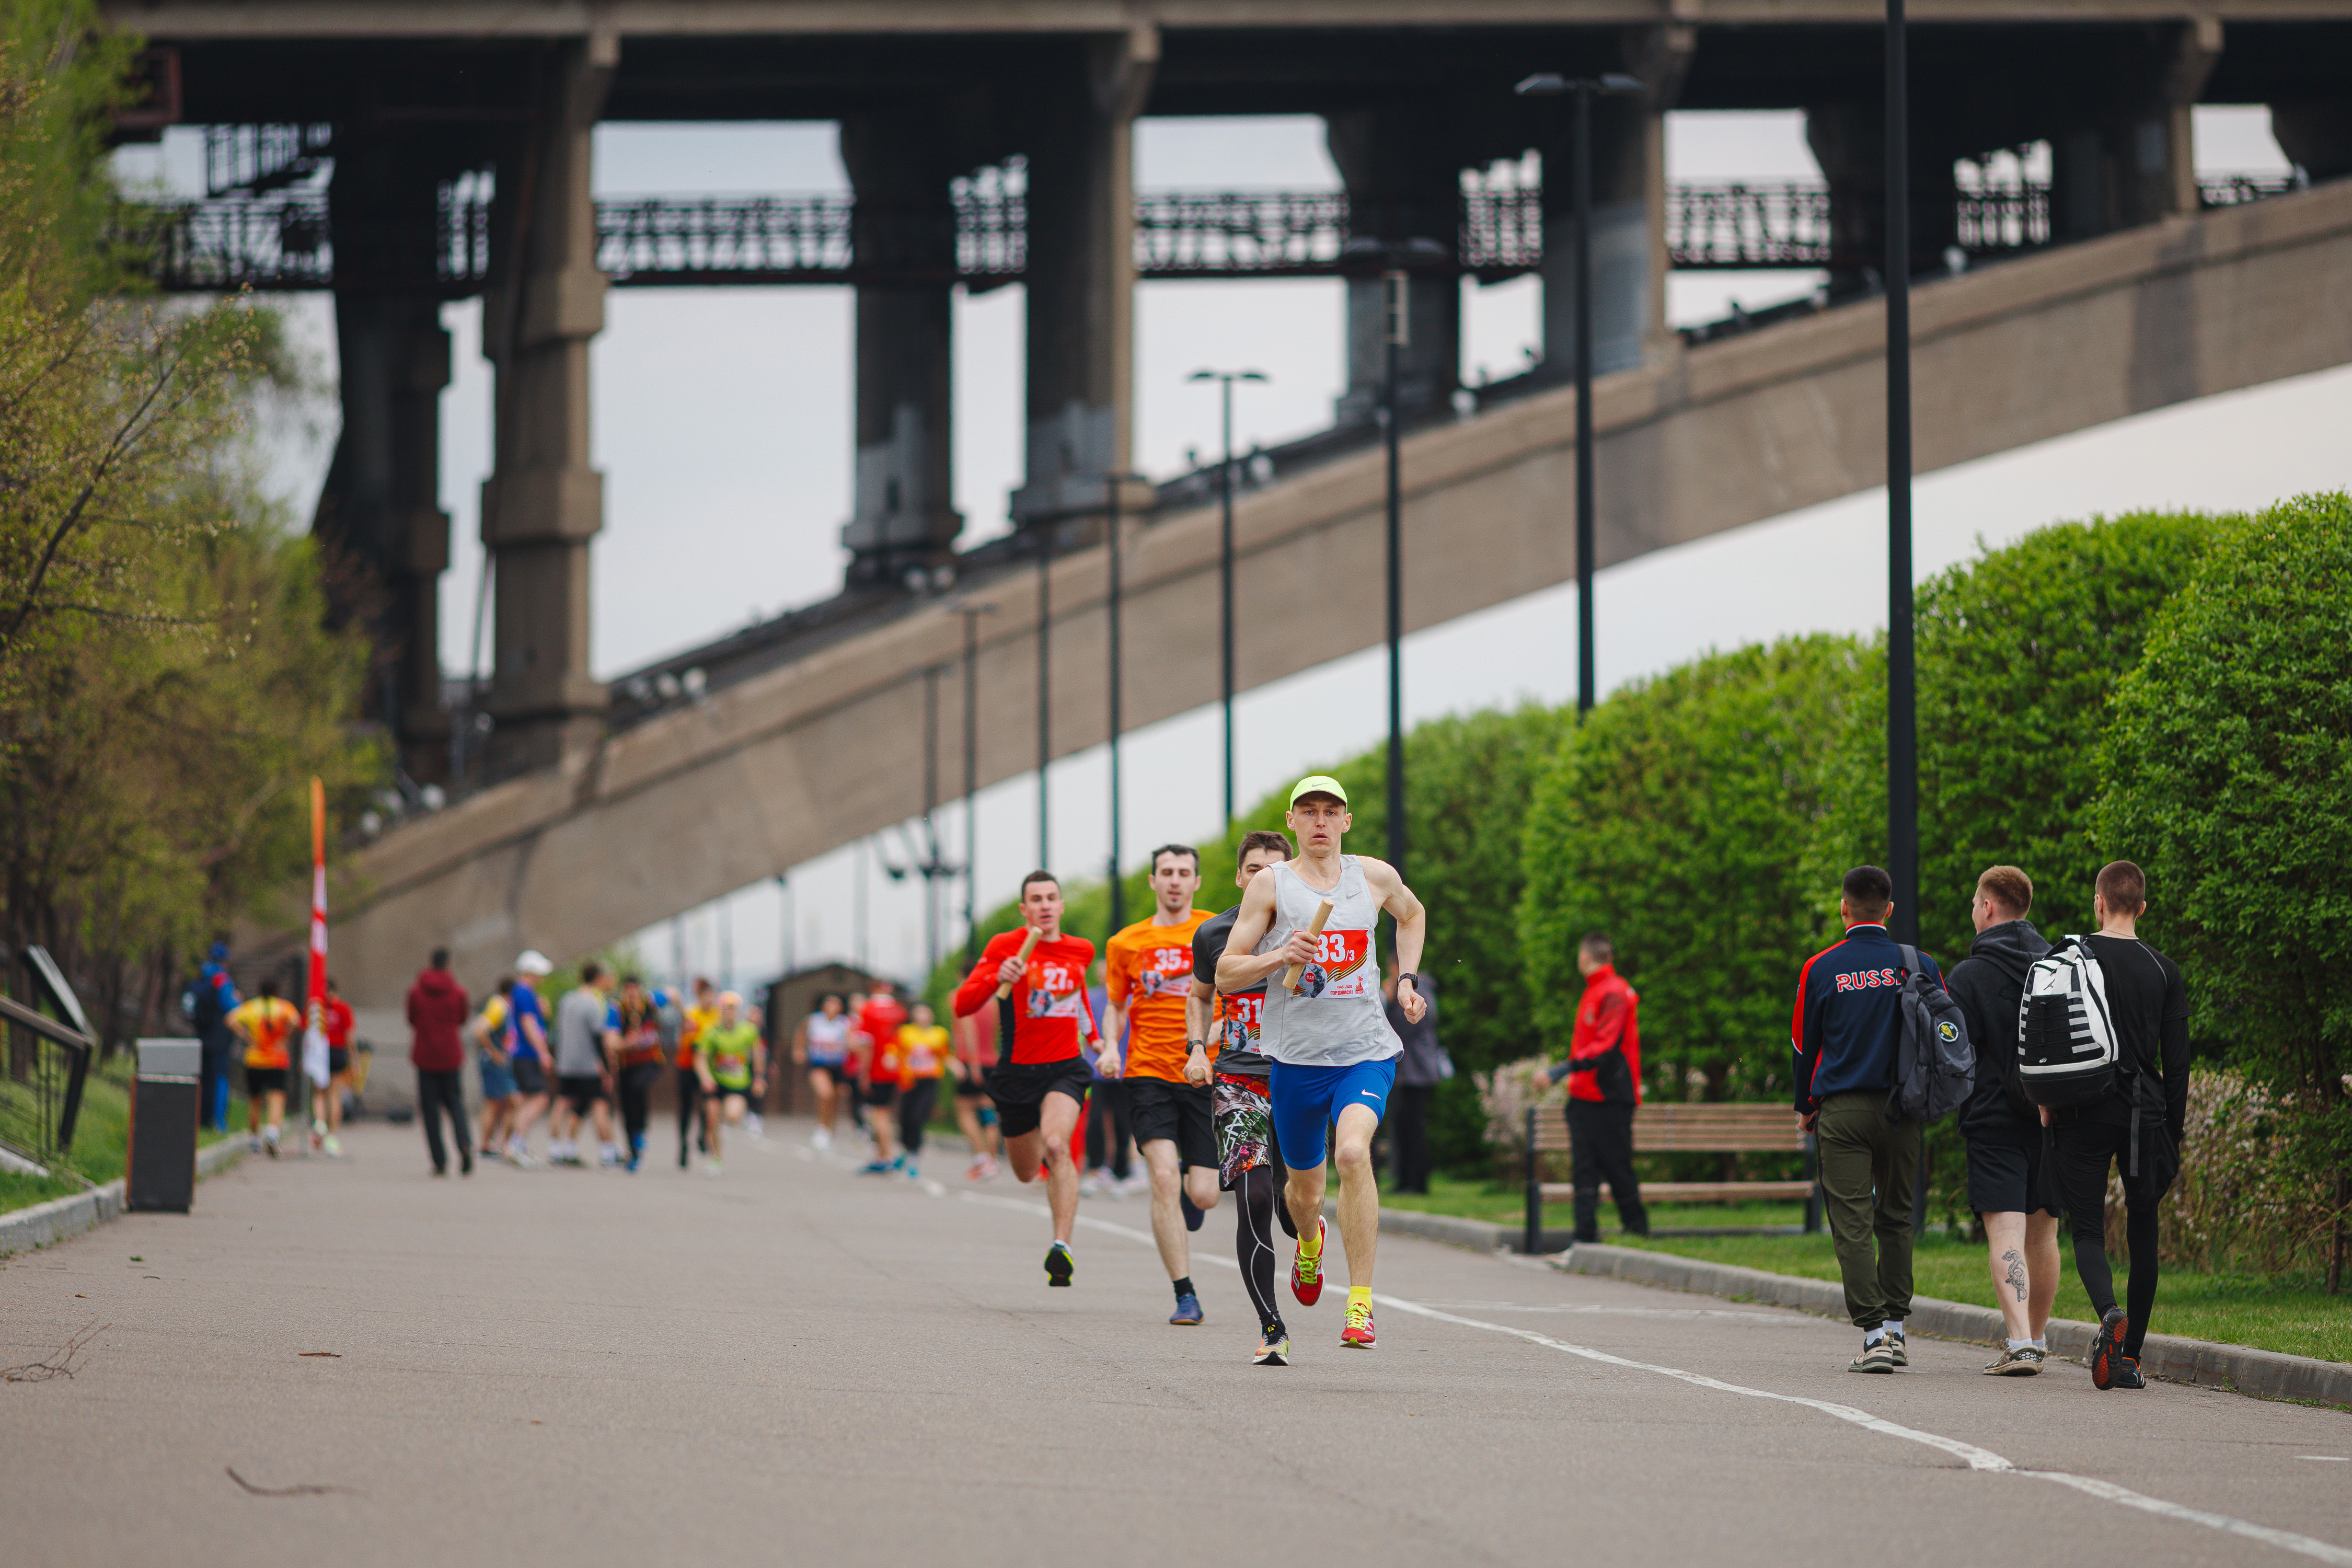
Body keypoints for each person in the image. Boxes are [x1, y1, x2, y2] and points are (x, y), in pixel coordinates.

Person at [1217, 777, 1428, 1352]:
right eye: (1308, 811)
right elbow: (1226, 972)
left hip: (1365, 1052)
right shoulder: (1273, 885)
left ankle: (1360, 1305)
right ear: (1292, 821)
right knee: (1304, 1196)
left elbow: (1413, 915)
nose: (1319, 821)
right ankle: (1310, 1244)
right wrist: (1278, 955)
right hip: (1296, 1062)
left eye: (1330, 812)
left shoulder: (1373, 877)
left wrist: (1406, 980)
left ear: (1346, 821)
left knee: (1354, 1153)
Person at [1793, 865, 1943, 1374]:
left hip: (1843, 1110)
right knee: (1897, 1217)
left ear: (1844, 908)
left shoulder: (1820, 968)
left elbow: (1803, 1045)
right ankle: (1897, 1331)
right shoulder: (1919, 963)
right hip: (1905, 1109)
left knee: (1852, 1223)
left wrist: (1805, 1106)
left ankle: (1874, 1336)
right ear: (1890, 910)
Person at [2047, 860, 2189, 1392]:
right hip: (2143, 1114)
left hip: (2081, 1109)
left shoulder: (2069, 958)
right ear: (2143, 908)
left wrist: (2045, 1102)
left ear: (2099, 903)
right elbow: (2178, 1065)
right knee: (2143, 1229)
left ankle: (2109, 1312)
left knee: (2087, 1228)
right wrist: (2172, 1132)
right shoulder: (2163, 971)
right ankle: (2129, 1359)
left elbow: (2047, 1037)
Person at [952, 871, 1101, 1285]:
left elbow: (1078, 999)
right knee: (1024, 1169)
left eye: (1052, 898)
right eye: (1036, 899)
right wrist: (997, 977)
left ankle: (1062, 1245)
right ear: (1025, 909)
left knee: (1056, 1146)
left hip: (1065, 1067)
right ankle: (1029, 1155)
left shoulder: (1081, 950)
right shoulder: (1005, 946)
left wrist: (1096, 1040)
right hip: (1016, 1073)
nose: (1045, 905)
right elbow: (963, 1004)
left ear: (1061, 905)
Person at [1190, 829, 1301, 1365]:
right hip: (1240, 1081)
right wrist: (1197, 1047)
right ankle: (1271, 1327)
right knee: (1253, 1198)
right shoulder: (1215, 933)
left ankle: (1304, 1224)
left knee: (1295, 1209)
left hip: (1301, 1077)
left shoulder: (1314, 930)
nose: (1264, 879)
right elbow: (1200, 996)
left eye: (1275, 870)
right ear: (1240, 877)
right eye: (1255, 869)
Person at [1945, 865, 2061, 1375]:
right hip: (2052, 1118)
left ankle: (2019, 1343)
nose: (1974, 911)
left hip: (1993, 1121)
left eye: (1976, 903)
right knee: (2044, 1235)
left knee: (2006, 1234)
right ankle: (2038, 1337)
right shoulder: (2056, 965)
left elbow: (1956, 1054)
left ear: (1988, 907)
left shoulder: (1969, 976)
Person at [1103, 844, 1219, 1326]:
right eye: (1166, 872)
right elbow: (1116, 1005)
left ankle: (1193, 1193)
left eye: (1184, 873)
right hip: (1147, 1072)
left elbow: (1234, 994)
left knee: (1205, 1194)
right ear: (1153, 881)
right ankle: (1184, 1294)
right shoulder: (1126, 943)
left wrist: (1213, 1037)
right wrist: (1110, 1047)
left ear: (1196, 882)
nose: (1175, 880)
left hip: (1204, 1072)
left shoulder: (1216, 931)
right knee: (1164, 1179)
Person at [1536, 934, 1649, 1242]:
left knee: (1617, 1166)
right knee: (1584, 1169)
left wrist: (1561, 1070)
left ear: (1585, 957)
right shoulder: (1595, 990)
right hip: (1584, 1097)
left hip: (1611, 1097)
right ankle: (1584, 1237)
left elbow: (1605, 1047)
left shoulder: (1615, 992)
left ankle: (1637, 1231)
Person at [407, 948, 473, 1177]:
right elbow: (463, 1019)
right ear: (448, 964)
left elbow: (412, 1019)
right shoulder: (459, 992)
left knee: (430, 1110)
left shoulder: (416, 992)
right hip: (451, 1055)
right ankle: (464, 1145)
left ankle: (439, 1160)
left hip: (425, 1055)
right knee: (456, 1104)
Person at [1385, 963, 1448, 1196]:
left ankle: (1416, 1183)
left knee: (1412, 1129)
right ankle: (1405, 1181)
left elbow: (1402, 1028)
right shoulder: (1425, 988)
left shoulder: (1416, 990)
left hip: (1416, 1072)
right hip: (1413, 1072)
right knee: (1405, 1128)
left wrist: (1390, 1002)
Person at [550, 962, 620, 1168]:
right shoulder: (594, 1003)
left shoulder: (567, 1000)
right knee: (600, 1104)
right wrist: (606, 1067)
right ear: (598, 978)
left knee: (565, 1104)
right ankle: (608, 1152)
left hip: (566, 1062)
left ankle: (557, 1148)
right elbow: (598, 1038)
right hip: (588, 1065)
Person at [227, 977, 302, 1158]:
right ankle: (273, 1133)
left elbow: (230, 1020)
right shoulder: (284, 1007)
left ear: (259, 990)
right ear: (277, 992)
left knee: (255, 1100)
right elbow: (297, 1022)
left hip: (255, 1059)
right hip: (277, 1059)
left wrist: (247, 1037)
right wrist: (285, 1039)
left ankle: (254, 1140)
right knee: (277, 1097)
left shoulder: (252, 1007)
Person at [695, 990, 764, 1178]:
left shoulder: (748, 1031)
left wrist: (759, 1078)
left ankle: (747, 1116)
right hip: (716, 1083)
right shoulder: (711, 1032)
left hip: (738, 1082)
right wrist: (706, 1078)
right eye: (726, 1008)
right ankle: (717, 1159)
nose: (730, 1012)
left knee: (733, 1116)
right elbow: (700, 1059)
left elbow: (758, 1054)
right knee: (712, 1120)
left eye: (733, 1009)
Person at [610, 975, 667, 1172]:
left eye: (635, 988)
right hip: (627, 1065)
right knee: (627, 1109)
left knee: (639, 1087)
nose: (632, 993)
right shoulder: (617, 1010)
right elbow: (611, 1042)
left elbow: (673, 994)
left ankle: (641, 1133)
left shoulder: (650, 1003)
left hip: (650, 1061)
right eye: (628, 989)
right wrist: (627, 1044)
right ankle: (634, 1154)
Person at [504, 952, 555, 1165]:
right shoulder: (524, 992)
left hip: (523, 1053)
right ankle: (515, 1144)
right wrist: (543, 1052)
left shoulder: (523, 992)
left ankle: (518, 1144)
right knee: (540, 1099)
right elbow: (528, 1024)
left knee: (526, 1100)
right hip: (526, 1053)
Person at [186, 942, 240, 1132]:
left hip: (201, 1034)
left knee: (201, 1077)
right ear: (226, 960)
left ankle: (200, 1117)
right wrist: (238, 1000)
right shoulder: (222, 979)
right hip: (220, 1037)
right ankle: (218, 1121)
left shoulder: (200, 976)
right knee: (219, 1077)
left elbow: (188, 1005)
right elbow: (231, 1007)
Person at [895, 1002, 950, 1181]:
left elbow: (946, 1055)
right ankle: (905, 1150)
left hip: (929, 1082)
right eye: (919, 1013)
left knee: (918, 1118)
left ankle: (913, 1157)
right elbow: (894, 1051)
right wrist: (890, 1059)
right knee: (905, 1119)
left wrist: (957, 1067)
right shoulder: (905, 1032)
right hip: (908, 1082)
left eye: (926, 1013)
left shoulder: (940, 1034)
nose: (922, 1017)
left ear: (931, 1016)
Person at [949, 1002, 1000, 1180]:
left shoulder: (962, 998)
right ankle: (992, 1161)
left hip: (971, 1061)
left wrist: (973, 1062)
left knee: (964, 1111)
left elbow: (968, 1030)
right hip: (991, 1061)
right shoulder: (993, 1003)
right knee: (988, 1113)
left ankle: (982, 1158)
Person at [468, 976, 517, 1161]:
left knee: (504, 1103)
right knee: (494, 1103)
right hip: (493, 1062)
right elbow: (479, 1029)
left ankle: (495, 1144)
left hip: (498, 1062)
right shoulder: (498, 1006)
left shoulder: (502, 1005)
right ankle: (486, 1145)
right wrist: (494, 1052)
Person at [798, 993, 853, 1151]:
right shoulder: (814, 1020)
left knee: (835, 1100)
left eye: (836, 1004)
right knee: (825, 1094)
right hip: (818, 1064)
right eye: (829, 1003)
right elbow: (801, 1034)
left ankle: (830, 1129)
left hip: (838, 1066)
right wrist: (799, 1050)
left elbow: (851, 1041)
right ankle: (821, 1127)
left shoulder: (844, 1023)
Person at [310, 975, 356, 1157]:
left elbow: (308, 1032)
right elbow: (349, 1036)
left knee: (319, 1093)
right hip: (338, 1051)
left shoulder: (316, 1008)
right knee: (334, 1095)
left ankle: (320, 1123)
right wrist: (354, 1060)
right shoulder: (343, 1008)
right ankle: (332, 1135)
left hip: (320, 1052)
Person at [859, 1004, 907, 1174]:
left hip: (878, 1072)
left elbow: (867, 1044)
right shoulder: (900, 1011)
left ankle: (888, 1156)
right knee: (885, 1114)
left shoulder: (869, 1011)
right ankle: (880, 1156)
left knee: (879, 1114)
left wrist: (865, 1072)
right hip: (895, 1071)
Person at [677, 977, 716, 1169]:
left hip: (707, 1066)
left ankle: (702, 1135)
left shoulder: (717, 1015)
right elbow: (690, 1040)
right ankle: (683, 1143)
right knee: (686, 1106)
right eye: (705, 996)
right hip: (687, 1064)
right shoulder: (691, 1014)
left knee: (707, 1103)